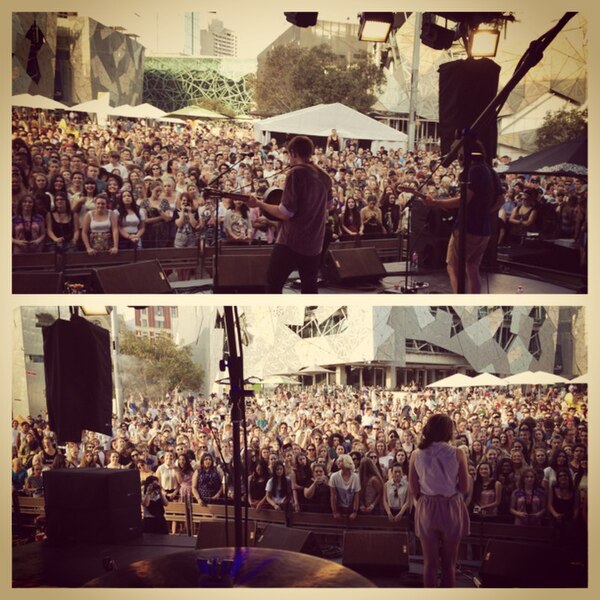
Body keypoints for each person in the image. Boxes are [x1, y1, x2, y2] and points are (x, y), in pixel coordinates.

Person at [246, 135, 333, 293]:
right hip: (314, 243)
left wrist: (258, 203)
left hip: (291, 241)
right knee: (309, 288)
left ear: (293, 153)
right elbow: (329, 205)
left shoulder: (296, 174)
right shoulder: (324, 176)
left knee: (273, 283)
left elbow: (285, 213)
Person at [421, 142, 504, 293]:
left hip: (467, 228)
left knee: (453, 267)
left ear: (463, 155)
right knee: (472, 267)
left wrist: (436, 203)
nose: (457, 158)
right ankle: (473, 305)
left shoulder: (473, 171)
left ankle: (461, 304)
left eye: (457, 154)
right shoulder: (491, 171)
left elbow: (463, 200)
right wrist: (484, 212)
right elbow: (501, 201)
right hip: (484, 230)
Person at [408, 413, 470, 587]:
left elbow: (414, 489)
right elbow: (465, 488)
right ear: (448, 431)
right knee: (449, 565)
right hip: (451, 507)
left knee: (429, 564)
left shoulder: (416, 454)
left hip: (427, 507)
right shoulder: (458, 453)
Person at [329, 454, 360, 520]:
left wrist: (355, 512)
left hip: (351, 507)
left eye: (340, 461)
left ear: (346, 462)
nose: (338, 462)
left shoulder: (355, 477)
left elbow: (356, 495)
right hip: (339, 507)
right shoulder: (334, 476)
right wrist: (335, 511)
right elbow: (333, 495)